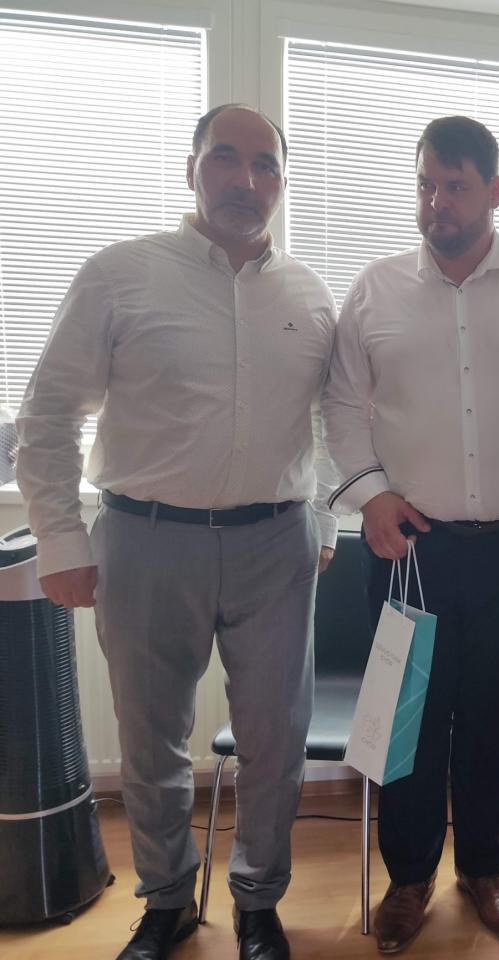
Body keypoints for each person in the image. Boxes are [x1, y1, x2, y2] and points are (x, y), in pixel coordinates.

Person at [17, 104, 339, 960]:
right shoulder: (119, 275)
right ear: (192, 169)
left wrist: (324, 520)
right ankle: (167, 902)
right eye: (225, 159)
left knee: (276, 737)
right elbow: (48, 415)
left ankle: (258, 902)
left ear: (281, 182)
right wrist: (61, 542)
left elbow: (333, 421)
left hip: (276, 545)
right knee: (151, 735)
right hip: (146, 540)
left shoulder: (309, 294)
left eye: (265, 165)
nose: (245, 180)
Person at [322, 115, 499, 954]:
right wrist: (369, 494)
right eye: (425, 184)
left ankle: (483, 868)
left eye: (455, 185)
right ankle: (409, 879)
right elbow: (341, 405)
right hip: (408, 549)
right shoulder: (375, 290)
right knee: (407, 719)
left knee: (487, 718)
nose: (436, 202)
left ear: (494, 190)